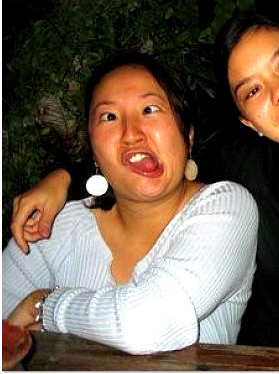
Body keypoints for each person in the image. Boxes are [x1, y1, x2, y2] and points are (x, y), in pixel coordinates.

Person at [9, 13, 279, 369]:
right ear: (248, 122)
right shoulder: (244, 164)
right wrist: (63, 178)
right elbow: (146, 155)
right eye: (253, 90)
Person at [3, 53, 259, 354]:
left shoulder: (227, 209)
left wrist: (44, 305)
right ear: (94, 150)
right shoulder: (53, 226)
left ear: (188, 136)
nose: (131, 133)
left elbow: (149, 325)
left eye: (150, 109)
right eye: (109, 117)